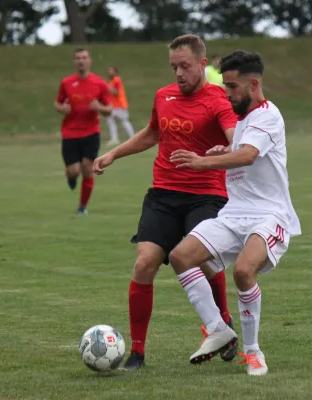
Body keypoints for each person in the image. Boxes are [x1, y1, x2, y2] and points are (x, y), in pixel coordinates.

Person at [93, 34, 238, 371]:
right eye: (174, 67)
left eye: (184, 66)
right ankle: (138, 353)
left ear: (202, 64)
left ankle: (222, 323)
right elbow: (152, 134)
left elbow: (238, 141)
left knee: (201, 261)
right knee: (144, 264)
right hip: (163, 194)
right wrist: (113, 153)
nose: (178, 73)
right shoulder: (164, 96)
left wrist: (223, 152)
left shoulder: (218, 100)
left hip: (207, 194)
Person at [167, 50, 301, 376]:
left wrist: (203, 161)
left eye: (232, 86)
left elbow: (249, 156)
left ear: (253, 84)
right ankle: (218, 329)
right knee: (181, 256)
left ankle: (253, 351)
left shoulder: (269, 115)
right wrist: (225, 149)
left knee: (243, 271)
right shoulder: (242, 120)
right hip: (234, 213)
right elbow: (240, 150)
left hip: (269, 215)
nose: (227, 93)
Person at [54, 48, 112, 215]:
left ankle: (82, 207)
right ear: (74, 62)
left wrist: (99, 107)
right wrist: (62, 108)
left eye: (84, 57)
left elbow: (109, 109)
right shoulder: (66, 83)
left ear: (90, 61)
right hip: (70, 133)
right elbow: (57, 104)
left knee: (87, 169)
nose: (81, 61)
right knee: (74, 171)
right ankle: (71, 177)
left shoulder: (100, 83)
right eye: (78, 58)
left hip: (91, 132)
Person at [106, 66, 135, 146]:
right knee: (110, 121)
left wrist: (107, 88)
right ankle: (114, 139)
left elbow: (116, 92)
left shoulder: (117, 80)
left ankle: (133, 137)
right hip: (114, 106)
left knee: (124, 121)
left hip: (120, 105)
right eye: (109, 71)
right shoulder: (111, 81)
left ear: (115, 72)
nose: (109, 72)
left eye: (111, 70)